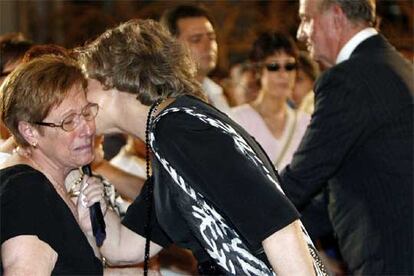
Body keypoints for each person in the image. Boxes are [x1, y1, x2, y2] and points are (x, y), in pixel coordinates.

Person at [80, 19, 327, 275]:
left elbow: (281, 228)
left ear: (112, 79)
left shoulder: (180, 129)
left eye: (87, 81)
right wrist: (80, 182)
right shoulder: (170, 135)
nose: (83, 97)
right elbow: (122, 247)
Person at [280, 0, 414, 274]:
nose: (300, 33)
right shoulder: (396, 65)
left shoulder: (347, 80)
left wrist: (238, 215)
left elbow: (300, 180)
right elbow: (352, 184)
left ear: (336, 17)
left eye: (306, 19)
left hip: (390, 260)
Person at [0, 55, 105, 275]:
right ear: (29, 132)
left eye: (87, 113)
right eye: (69, 121)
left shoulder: (48, 183)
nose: (87, 129)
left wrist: (87, 231)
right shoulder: (25, 191)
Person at [232, 32, 310, 170]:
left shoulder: (305, 123)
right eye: (273, 66)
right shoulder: (237, 120)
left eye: (289, 66)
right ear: (258, 71)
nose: (283, 74)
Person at [160, 4, 231, 114]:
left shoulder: (217, 93)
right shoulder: (164, 100)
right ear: (171, 47)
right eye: (196, 39)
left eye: (212, 37)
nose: (209, 46)